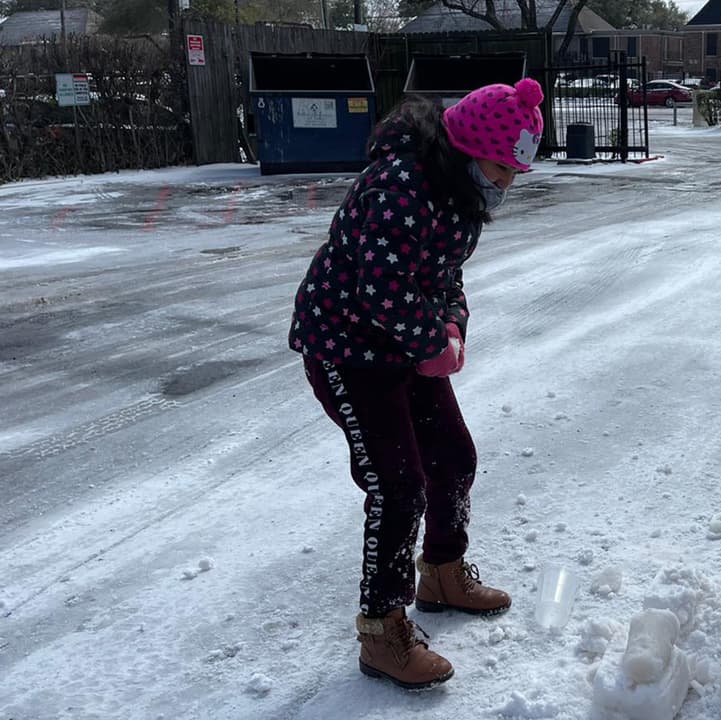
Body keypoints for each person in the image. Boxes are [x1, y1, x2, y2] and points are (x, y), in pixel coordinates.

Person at [288, 79, 545, 690]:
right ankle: (381, 630)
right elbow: (382, 285)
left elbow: (446, 278)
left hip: (402, 345)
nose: (506, 184)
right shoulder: (401, 186)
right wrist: (431, 343)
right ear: (468, 150)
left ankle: (443, 571)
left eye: (515, 173)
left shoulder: (459, 193)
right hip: (345, 349)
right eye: (501, 169)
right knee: (397, 485)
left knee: (452, 456)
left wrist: (451, 325)